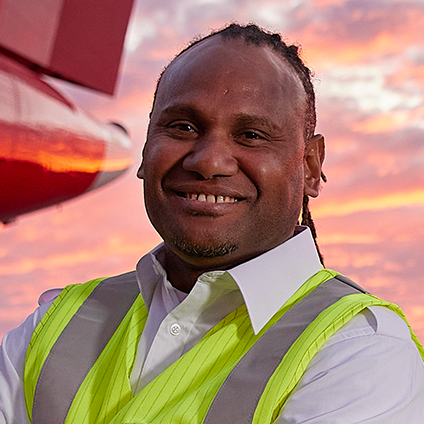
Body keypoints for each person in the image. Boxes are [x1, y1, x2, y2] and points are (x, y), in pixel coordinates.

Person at [1, 23, 424, 424]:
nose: (208, 161)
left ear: (311, 167)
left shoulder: (362, 351)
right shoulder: (55, 323)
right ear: (147, 150)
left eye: (252, 135)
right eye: (183, 127)